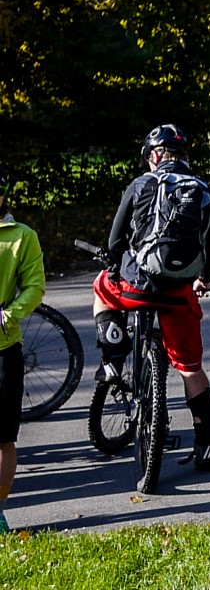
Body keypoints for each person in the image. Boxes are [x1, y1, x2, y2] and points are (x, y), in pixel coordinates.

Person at [93, 125, 210, 470]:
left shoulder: (141, 184)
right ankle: (206, 446)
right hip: (179, 294)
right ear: (185, 156)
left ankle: (113, 359)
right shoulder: (202, 190)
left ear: (154, 155)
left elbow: (114, 241)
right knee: (191, 369)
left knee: (101, 289)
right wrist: (203, 279)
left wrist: (114, 265)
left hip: (136, 288)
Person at [0, 177, 46, 532]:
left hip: (3, 349)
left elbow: (34, 286)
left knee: (3, 438)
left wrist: (9, 314)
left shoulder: (21, 236)